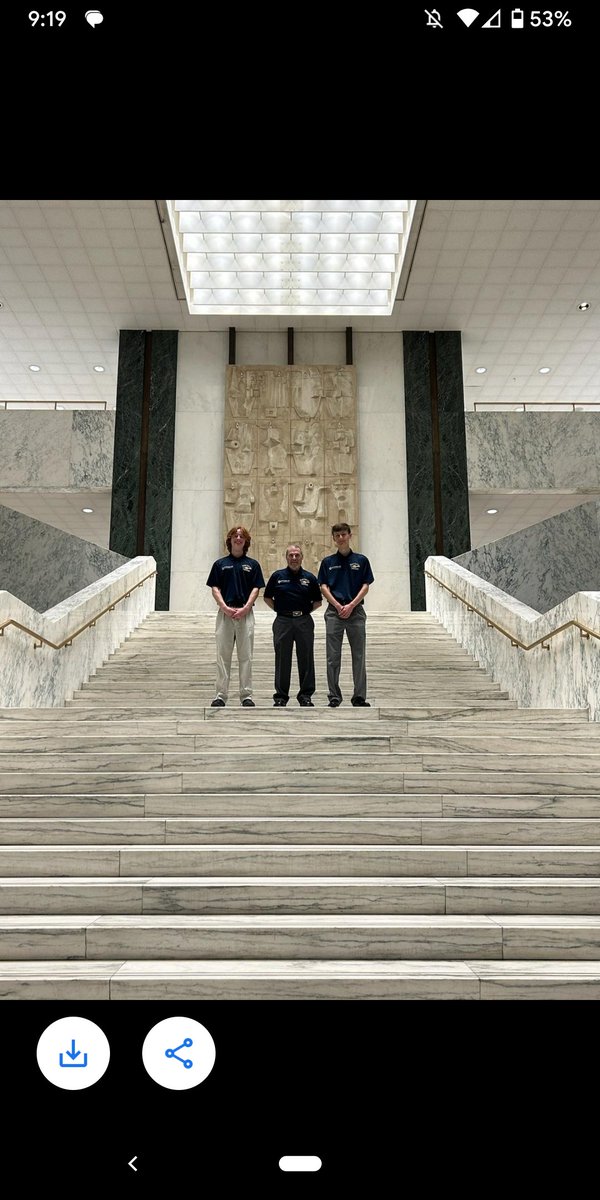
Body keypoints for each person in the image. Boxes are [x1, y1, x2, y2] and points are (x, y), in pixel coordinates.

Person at [206, 526, 265, 707]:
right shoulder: (220, 564)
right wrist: (223, 606)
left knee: (246, 656)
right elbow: (215, 588)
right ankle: (220, 695)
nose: (238, 538)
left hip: (245, 614)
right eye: (235, 536)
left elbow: (256, 588)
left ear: (246, 541)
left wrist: (247, 607)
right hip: (225, 614)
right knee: (223, 656)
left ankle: (246, 695)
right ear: (230, 540)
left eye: (241, 536)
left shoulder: (253, 565)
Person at [317, 523, 374, 707]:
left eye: (344, 534)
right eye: (337, 535)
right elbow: (323, 586)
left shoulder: (361, 560)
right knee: (333, 656)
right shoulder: (327, 563)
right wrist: (337, 605)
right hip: (334, 613)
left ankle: (359, 696)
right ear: (333, 539)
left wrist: (350, 605)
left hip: (355, 612)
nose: (341, 538)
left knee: (359, 655)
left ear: (350, 535)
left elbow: (366, 586)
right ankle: (334, 696)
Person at [263, 545, 322, 707]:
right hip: (283, 621)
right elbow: (267, 597)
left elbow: (318, 601)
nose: (294, 558)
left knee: (306, 658)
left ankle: (305, 696)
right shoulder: (277, 576)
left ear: (302, 557)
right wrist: (280, 610)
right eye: (291, 555)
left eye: (297, 555)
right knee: (282, 658)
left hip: (304, 621)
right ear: (286, 557)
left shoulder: (310, 578)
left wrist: (303, 612)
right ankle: (281, 696)